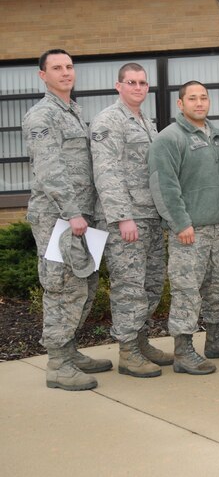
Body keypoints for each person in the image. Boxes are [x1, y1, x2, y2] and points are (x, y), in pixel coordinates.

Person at [23, 49, 110, 390]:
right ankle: (58, 364)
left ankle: (70, 350)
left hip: (81, 217)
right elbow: (50, 169)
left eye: (69, 66)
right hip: (58, 217)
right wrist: (72, 212)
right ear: (42, 75)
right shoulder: (41, 116)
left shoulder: (73, 111)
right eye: (56, 68)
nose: (65, 72)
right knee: (63, 287)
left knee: (84, 285)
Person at [149, 80, 219, 374]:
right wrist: (180, 223)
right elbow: (164, 186)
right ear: (181, 104)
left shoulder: (218, 137)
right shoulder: (169, 139)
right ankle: (182, 350)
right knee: (187, 291)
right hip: (190, 232)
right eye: (193, 98)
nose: (200, 103)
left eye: (204, 97)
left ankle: (215, 339)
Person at [90, 62, 171, 378]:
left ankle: (140, 341)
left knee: (151, 284)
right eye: (131, 82)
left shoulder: (147, 123)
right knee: (129, 286)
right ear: (118, 85)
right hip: (127, 221)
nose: (138, 88)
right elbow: (106, 172)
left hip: (150, 217)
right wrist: (123, 218)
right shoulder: (109, 121)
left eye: (142, 83)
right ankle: (127, 352)